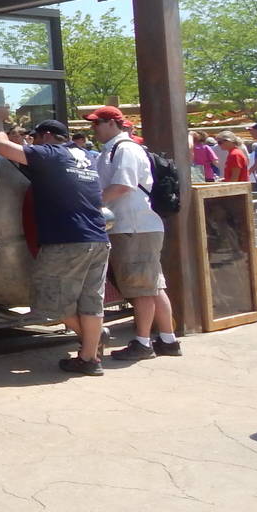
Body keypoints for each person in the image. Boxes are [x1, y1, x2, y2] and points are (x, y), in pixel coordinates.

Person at [0, 108, 110, 376]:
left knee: (50, 298)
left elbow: (1, 146)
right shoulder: (85, 158)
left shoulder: (51, 155)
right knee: (91, 300)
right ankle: (90, 356)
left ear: (46, 137)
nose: (32, 143)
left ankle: (91, 342)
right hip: (98, 238)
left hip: (66, 240)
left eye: (34, 138)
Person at [88, 106, 180, 359]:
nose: (93, 128)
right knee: (152, 286)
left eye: (98, 123)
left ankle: (143, 343)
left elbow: (122, 185)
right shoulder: (116, 149)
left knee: (140, 288)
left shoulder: (125, 149)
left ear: (112, 124)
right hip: (139, 226)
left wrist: (93, 207)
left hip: (133, 227)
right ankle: (168, 340)